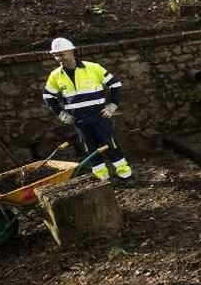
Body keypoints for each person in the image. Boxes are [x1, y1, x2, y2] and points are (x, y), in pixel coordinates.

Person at [42, 37, 133, 182]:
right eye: (56, 55)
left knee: (111, 147)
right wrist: (61, 114)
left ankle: (126, 176)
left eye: (62, 54)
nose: (59, 58)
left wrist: (112, 106)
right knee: (91, 152)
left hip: (99, 118)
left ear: (71, 51)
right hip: (80, 122)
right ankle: (104, 180)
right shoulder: (55, 75)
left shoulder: (93, 68)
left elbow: (115, 85)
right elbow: (47, 95)